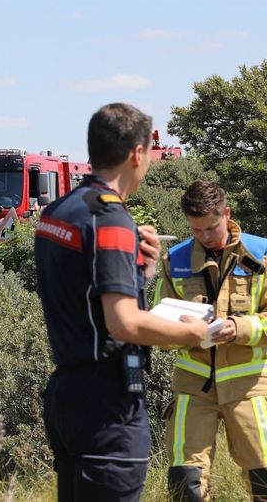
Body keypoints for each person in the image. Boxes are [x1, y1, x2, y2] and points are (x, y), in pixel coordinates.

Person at [34, 103, 209, 502]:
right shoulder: (111, 218)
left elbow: (82, 293)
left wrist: (138, 272)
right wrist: (195, 332)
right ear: (136, 154)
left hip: (66, 393)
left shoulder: (59, 211)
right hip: (107, 405)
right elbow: (123, 323)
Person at [155, 181, 267, 500]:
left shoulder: (261, 254)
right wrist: (179, 331)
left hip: (249, 385)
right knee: (184, 483)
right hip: (193, 385)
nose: (204, 237)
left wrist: (239, 327)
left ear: (227, 214)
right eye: (196, 230)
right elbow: (156, 322)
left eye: (211, 228)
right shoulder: (174, 261)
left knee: (264, 478)